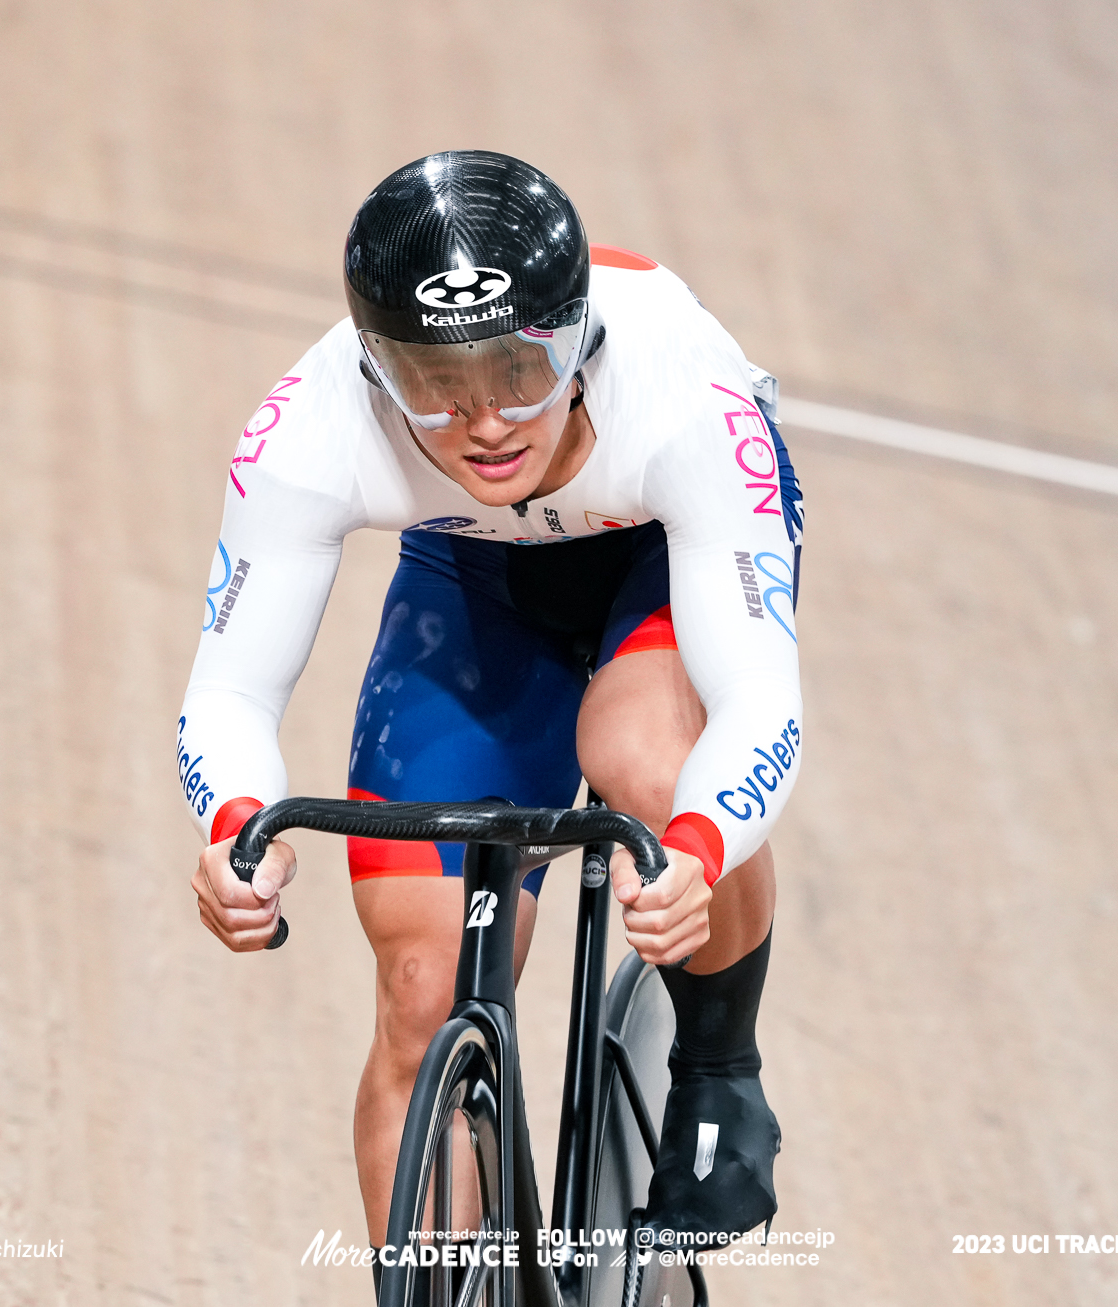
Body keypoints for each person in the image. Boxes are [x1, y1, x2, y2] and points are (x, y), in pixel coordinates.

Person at [180, 150, 805, 1261]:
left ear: (578, 338)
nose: (484, 423)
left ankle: (717, 1063)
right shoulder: (311, 427)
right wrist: (234, 828)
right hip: (477, 576)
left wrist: (701, 846)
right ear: (375, 371)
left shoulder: (683, 402)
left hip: (656, 557)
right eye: (433, 385)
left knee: (639, 753)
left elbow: (758, 694)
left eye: (522, 369)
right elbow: (230, 688)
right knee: (423, 992)